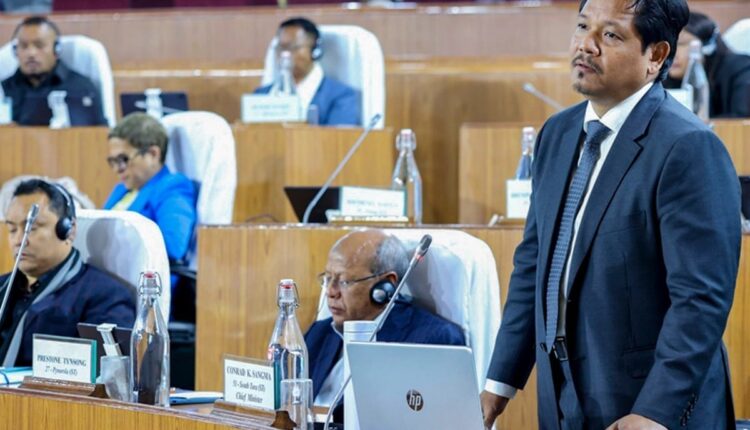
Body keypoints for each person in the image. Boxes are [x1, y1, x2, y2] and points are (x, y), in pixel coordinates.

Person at [481, 0, 740, 429]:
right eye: (582, 27)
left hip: (647, 406)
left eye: (610, 35)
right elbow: (534, 265)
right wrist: (498, 382)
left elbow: (700, 300)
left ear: (656, 55)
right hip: (563, 397)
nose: (586, 45)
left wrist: (655, 411)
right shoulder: (557, 133)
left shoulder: (688, 147)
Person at [305, 229, 465, 418]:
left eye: (345, 281)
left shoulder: (433, 340)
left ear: (386, 285)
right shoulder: (320, 332)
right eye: (328, 278)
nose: (331, 292)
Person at [0, 179, 135, 367]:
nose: (18, 240)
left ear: (68, 230)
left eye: (32, 228)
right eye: (12, 229)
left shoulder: (105, 296)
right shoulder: (3, 288)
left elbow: (105, 374)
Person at [103, 113, 197, 321]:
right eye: (113, 161)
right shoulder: (121, 190)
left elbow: (173, 246)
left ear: (153, 154)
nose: (118, 169)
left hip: (142, 287)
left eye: (123, 159)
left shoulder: (172, 187)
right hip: (110, 280)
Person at [253, 17, 361, 126]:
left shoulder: (340, 97)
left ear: (315, 51)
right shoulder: (261, 95)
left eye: (293, 47)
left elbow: (339, 136)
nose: (284, 54)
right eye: (281, 48)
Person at [1, 16, 107, 126]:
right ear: (15, 51)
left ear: (57, 49)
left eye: (39, 46)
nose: (31, 53)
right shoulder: (3, 91)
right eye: (24, 46)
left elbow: (101, 132)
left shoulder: (81, 88)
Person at [664, 11, 750, 118]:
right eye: (668, 45)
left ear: (707, 47)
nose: (671, 53)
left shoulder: (740, 67)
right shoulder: (662, 78)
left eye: (681, 44)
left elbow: (743, 119)